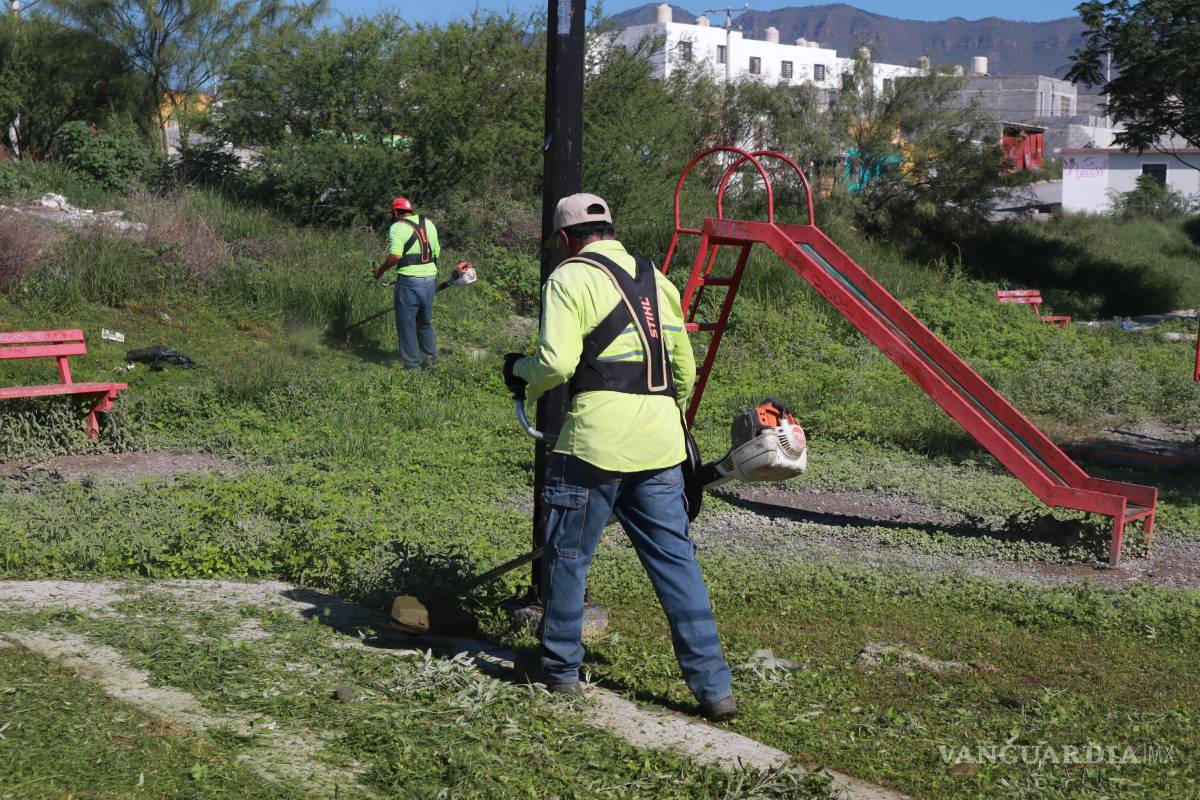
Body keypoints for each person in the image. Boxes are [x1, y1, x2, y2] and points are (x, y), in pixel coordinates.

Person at [502, 193, 736, 722]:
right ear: (611, 229)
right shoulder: (661, 281)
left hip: (595, 446)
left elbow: (556, 364)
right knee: (676, 564)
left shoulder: (569, 278)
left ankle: (558, 670)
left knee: (568, 558)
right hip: (660, 446)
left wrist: (519, 373)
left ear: (566, 239)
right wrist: (660, 418)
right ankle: (715, 688)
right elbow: (684, 371)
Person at [373, 197, 440, 369]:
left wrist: (379, 271)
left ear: (395, 212)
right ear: (411, 210)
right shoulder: (429, 223)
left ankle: (411, 367)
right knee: (424, 322)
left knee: (407, 324)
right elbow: (436, 252)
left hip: (409, 282)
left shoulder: (397, 227)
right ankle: (431, 363)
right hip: (430, 280)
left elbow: (396, 256)